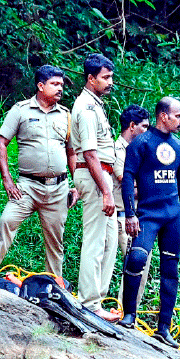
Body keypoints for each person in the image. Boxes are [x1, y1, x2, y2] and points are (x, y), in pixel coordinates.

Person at [0, 65, 79, 283]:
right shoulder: (21, 110)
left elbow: (71, 152)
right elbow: (0, 143)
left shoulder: (66, 115)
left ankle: (53, 283)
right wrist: (8, 180)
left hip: (58, 187)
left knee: (55, 240)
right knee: (6, 222)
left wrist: (76, 183)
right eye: (54, 84)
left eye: (61, 84)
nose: (60, 88)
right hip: (27, 186)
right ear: (40, 86)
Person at [118, 96, 180, 348]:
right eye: (178, 116)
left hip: (172, 215)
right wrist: (131, 214)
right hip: (148, 214)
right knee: (136, 259)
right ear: (163, 116)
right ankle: (129, 315)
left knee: (170, 270)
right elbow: (127, 178)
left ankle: (163, 328)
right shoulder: (141, 143)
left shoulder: (178, 145)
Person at [71, 54, 119, 323]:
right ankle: (89, 302)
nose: (110, 82)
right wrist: (107, 191)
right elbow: (89, 154)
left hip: (102, 176)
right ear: (91, 79)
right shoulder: (87, 107)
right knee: (95, 240)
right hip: (95, 176)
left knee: (109, 241)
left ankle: (97, 298)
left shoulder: (96, 105)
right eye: (106, 77)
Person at [113, 105, 151, 301]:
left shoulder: (144, 150)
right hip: (121, 216)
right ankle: (120, 309)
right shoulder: (117, 150)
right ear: (132, 126)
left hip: (142, 216)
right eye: (144, 126)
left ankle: (128, 312)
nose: (147, 131)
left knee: (140, 266)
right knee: (130, 264)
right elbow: (126, 182)